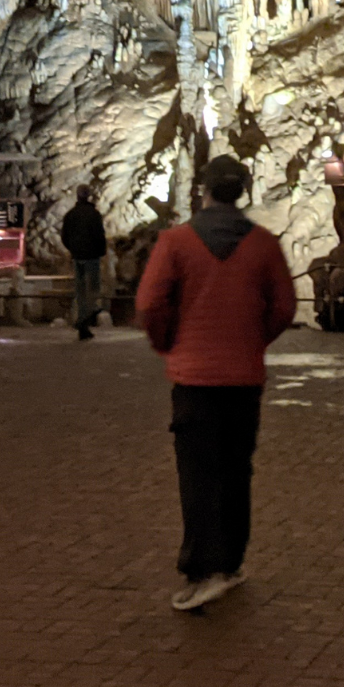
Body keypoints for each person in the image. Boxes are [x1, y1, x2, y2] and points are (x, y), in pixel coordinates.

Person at [136, 155, 296, 612]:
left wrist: (169, 342)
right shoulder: (263, 244)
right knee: (235, 468)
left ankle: (203, 569)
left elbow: (150, 303)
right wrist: (252, 339)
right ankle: (230, 561)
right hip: (244, 377)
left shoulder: (177, 242)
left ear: (203, 190)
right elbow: (284, 306)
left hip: (195, 376)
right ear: (242, 192)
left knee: (198, 473)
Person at [60, 184, 108, 340]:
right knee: (93, 290)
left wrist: (73, 249)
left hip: (78, 256)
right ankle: (84, 319)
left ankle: (82, 320)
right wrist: (101, 251)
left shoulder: (71, 215)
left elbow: (64, 237)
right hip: (92, 256)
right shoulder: (94, 215)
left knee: (80, 291)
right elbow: (100, 236)